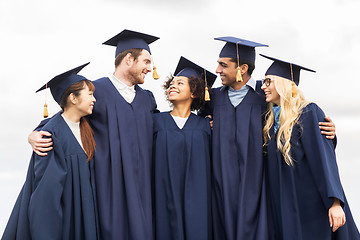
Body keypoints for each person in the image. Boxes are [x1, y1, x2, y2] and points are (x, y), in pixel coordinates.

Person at [201, 36, 337, 240]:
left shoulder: (262, 98)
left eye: (223, 64)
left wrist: (330, 134)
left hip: (258, 188)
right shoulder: (213, 98)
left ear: (242, 68)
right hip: (221, 187)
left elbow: (295, 120)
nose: (217, 70)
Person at [28, 30, 159, 240]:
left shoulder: (147, 100)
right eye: (146, 61)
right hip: (108, 186)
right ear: (128, 59)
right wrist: (35, 133)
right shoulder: (96, 91)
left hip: (143, 187)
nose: (150, 67)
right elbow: (65, 115)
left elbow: (163, 128)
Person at [260, 54, 360, 240]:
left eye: (268, 81)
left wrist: (335, 202)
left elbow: (323, 158)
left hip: (310, 205)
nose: (263, 86)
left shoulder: (308, 113)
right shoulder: (270, 119)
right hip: (284, 206)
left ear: (284, 85)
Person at [2, 63, 99, 240]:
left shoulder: (86, 128)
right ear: (73, 98)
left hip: (84, 217)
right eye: (90, 94)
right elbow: (45, 197)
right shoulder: (51, 135)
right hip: (66, 224)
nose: (94, 99)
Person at [152, 56, 216, 240]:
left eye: (180, 83)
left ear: (194, 92)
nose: (173, 86)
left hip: (198, 199)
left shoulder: (205, 127)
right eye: (171, 83)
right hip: (163, 196)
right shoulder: (155, 121)